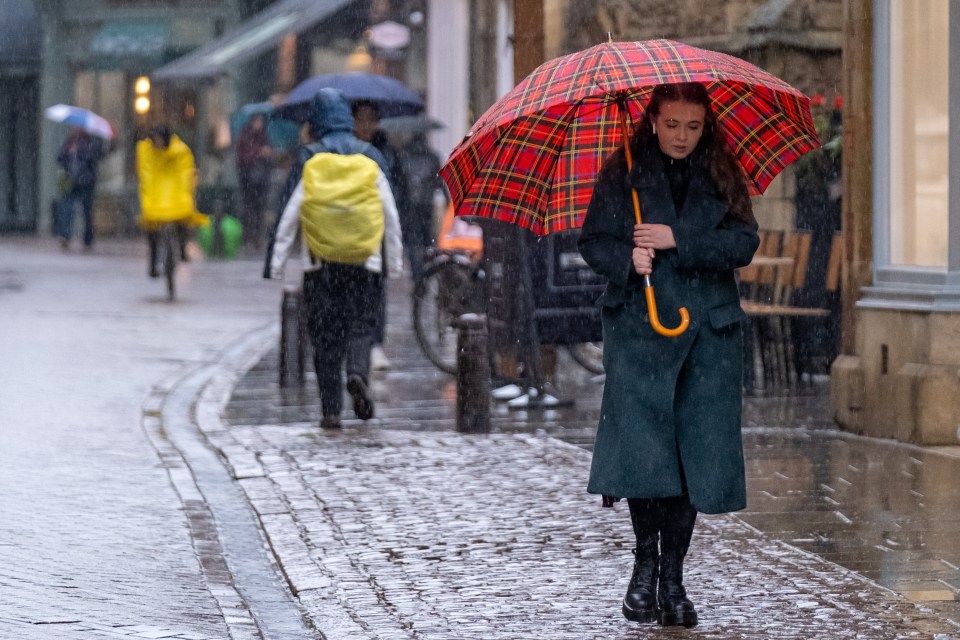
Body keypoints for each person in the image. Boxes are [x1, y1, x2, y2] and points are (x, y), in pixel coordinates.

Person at [578, 82, 759, 628]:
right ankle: (643, 568)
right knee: (645, 455)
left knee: (691, 459)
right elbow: (593, 241)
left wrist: (675, 237)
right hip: (642, 332)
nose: (682, 137)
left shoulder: (723, 172)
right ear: (652, 119)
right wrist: (628, 259)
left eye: (694, 126)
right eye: (673, 124)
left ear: (706, 125)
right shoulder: (624, 171)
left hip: (707, 333)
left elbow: (743, 243)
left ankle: (674, 578)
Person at [264, 88, 402, 430]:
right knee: (361, 326)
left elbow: (290, 211)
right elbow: (390, 213)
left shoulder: (309, 157)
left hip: (320, 263)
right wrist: (394, 263)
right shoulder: (370, 155)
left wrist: (276, 262)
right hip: (365, 261)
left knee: (325, 335)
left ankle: (330, 409)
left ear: (317, 122)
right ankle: (356, 373)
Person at [352, 100, 408, 371]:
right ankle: (356, 344)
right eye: (360, 120)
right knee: (353, 286)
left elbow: (398, 194)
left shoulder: (387, 153)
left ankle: (374, 344)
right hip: (350, 230)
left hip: (377, 230)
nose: (365, 126)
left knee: (376, 289)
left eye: (370, 120)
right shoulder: (344, 151)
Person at [136, 125, 207, 277]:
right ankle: (154, 262)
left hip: (174, 194)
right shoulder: (148, 152)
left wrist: (185, 192)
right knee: (152, 229)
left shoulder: (179, 152)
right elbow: (146, 175)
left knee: (182, 220)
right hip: (157, 196)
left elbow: (185, 173)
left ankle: (182, 249)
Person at [397, 131, 444, 282]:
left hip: (409, 207)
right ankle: (424, 271)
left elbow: (399, 184)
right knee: (426, 239)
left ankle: (416, 273)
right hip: (426, 206)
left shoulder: (403, 156)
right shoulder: (432, 157)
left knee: (412, 241)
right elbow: (440, 183)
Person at [55, 127, 106, 250]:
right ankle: (65, 235)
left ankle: (88, 238)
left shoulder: (91, 143)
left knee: (87, 211)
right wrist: (69, 152)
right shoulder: (69, 143)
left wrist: (79, 151)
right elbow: (59, 158)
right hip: (70, 182)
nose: (74, 130)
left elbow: (96, 156)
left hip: (86, 182)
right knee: (67, 208)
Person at [235, 113, 272, 248]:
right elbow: (242, 156)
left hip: (261, 181)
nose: (259, 124)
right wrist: (259, 153)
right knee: (249, 209)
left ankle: (256, 237)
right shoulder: (246, 135)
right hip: (248, 180)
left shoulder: (263, 136)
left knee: (259, 209)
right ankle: (247, 237)